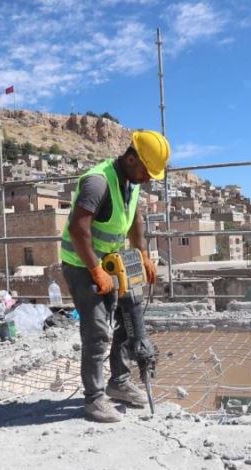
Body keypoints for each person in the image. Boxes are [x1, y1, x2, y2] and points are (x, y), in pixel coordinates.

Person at [60, 130, 169, 422]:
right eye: (146, 171)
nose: (148, 178)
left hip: (112, 260)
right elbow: (77, 229)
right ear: (131, 158)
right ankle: (94, 399)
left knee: (129, 319)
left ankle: (118, 382)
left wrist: (142, 253)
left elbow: (135, 220)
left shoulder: (130, 184)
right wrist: (95, 270)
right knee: (97, 332)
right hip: (82, 263)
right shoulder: (98, 182)